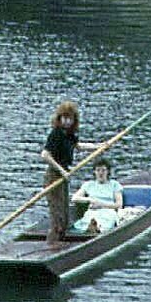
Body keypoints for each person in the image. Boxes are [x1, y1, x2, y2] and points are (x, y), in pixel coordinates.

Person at [41, 101, 101, 244]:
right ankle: (52, 245)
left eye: (70, 118)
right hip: (54, 176)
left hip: (63, 177)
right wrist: (62, 171)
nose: (67, 121)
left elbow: (79, 146)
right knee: (57, 216)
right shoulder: (56, 134)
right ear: (59, 118)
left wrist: (99, 147)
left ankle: (61, 242)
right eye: (64, 118)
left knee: (65, 215)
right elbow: (45, 155)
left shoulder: (69, 134)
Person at [71, 157, 123, 234]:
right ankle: (91, 227)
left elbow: (119, 205)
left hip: (108, 210)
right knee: (90, 216)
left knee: (107, 219)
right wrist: (90, 200)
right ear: (94, 172)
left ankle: (98, 229)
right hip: (93, 210)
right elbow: (74, 198)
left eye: (103, 170)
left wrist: (101, 204)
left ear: (108, 171)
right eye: (98, 170)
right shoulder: (89, 184)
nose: (100, 173)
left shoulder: (114, 184)